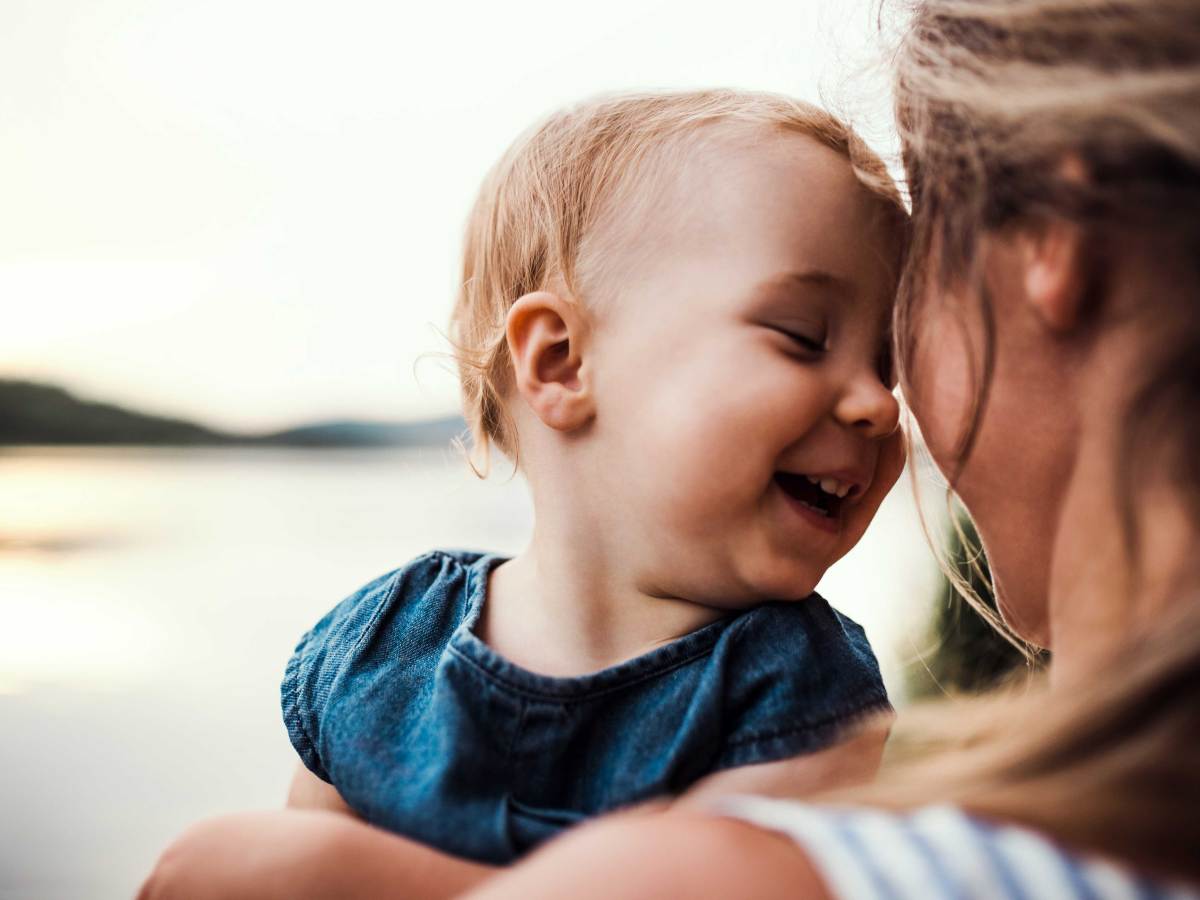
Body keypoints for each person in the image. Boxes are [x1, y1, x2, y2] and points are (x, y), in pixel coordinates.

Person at [141, 0, 1200, 895]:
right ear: (557, 362)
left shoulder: (800, 687)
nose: (882, 404)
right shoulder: (378, 645)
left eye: (886, 352)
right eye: (799, 336)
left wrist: (301, 869)